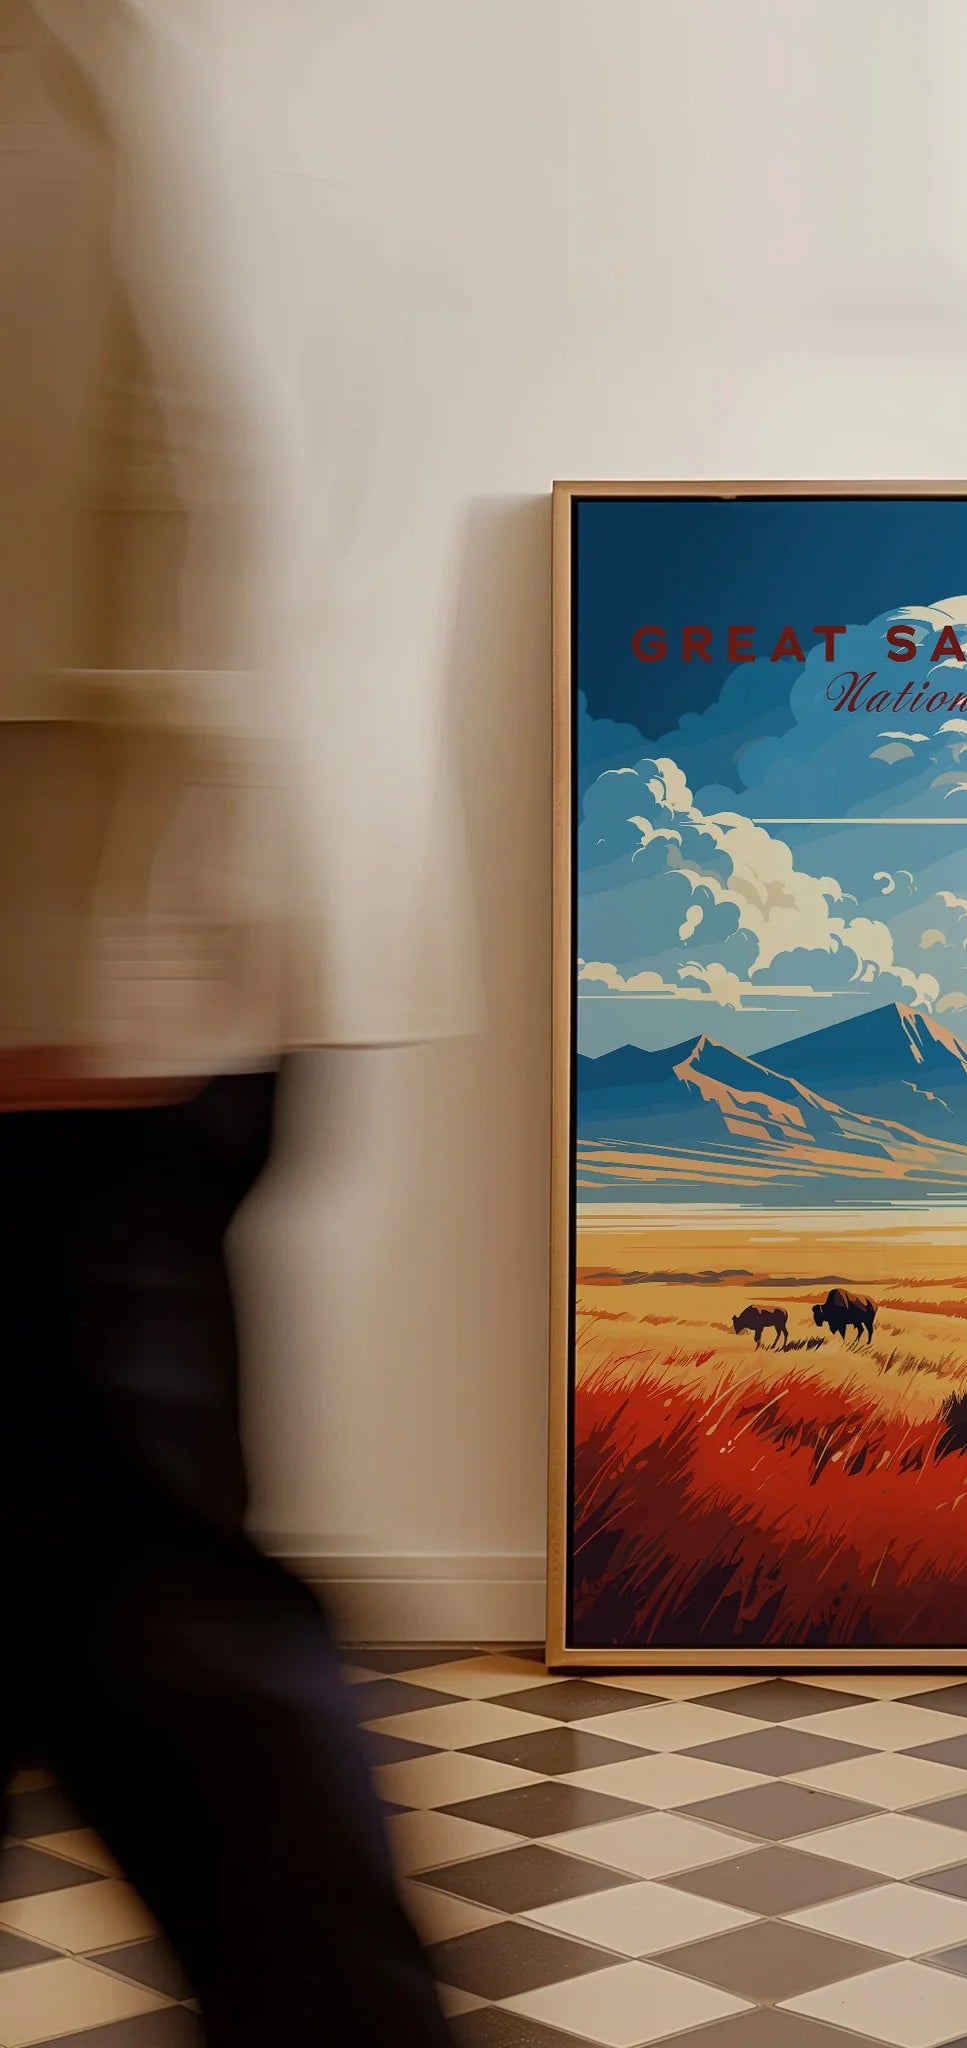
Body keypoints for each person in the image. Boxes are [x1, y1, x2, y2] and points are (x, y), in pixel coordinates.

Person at [0, 5, 463, 2040]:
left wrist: (112, 946)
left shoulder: (78, 52)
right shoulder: (235, 65)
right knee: (116, 1580)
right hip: (150, 936)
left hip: (82, 956)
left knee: (151, 1608)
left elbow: (204, 465)